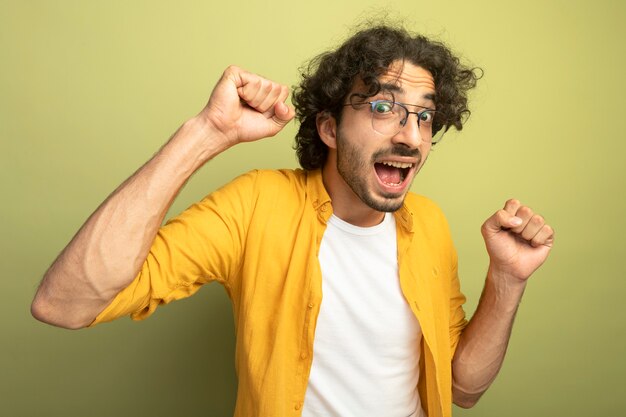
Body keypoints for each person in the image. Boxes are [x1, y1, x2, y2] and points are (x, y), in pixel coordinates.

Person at [31, 25, 554, 417]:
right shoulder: (258, 204)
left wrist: (507, 279)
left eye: (423, 115)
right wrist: (207, 132)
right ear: (329, 127)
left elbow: (462, 391)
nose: (411, 136)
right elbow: (65, 303)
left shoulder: (429, 223)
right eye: (381, 107)